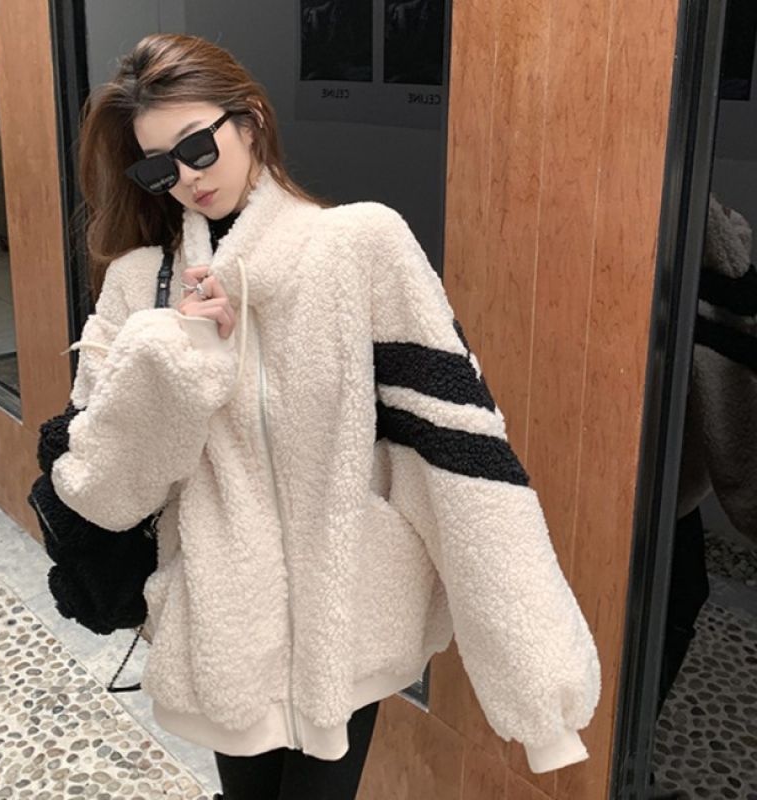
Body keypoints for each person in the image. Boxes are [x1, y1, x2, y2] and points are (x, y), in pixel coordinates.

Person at [52, 32, 602, 800]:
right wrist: (176, 354)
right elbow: (102, 492)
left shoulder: (361, 248)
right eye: (159, 166)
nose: (186, 177)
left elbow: (462, 456)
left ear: (251, 122)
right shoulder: (141, 286)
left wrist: (539, 687)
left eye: (198, 146)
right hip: (225, 635)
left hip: (347, 626)